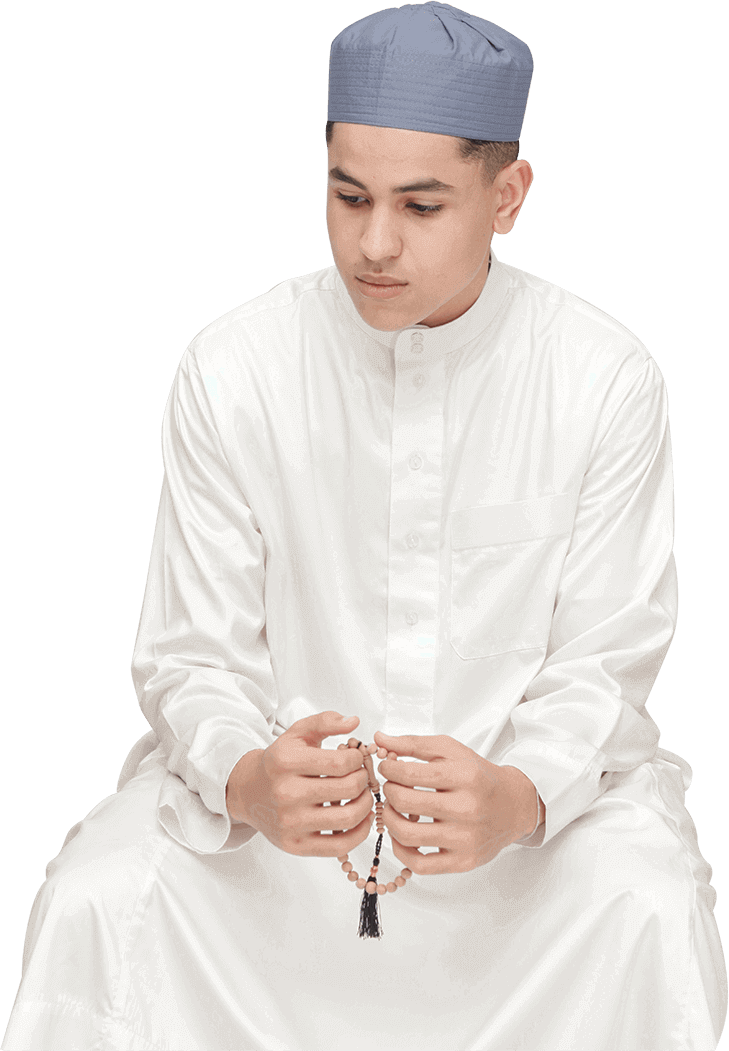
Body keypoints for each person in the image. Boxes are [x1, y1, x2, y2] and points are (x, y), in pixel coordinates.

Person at [4, 4, 726, 1049]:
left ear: (507, 197)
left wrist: (517, 795)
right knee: (98, 897)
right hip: (269, 851)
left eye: (421, 206)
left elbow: (604, 665)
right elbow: (192, 654)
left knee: (643, 908)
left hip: (526, 849)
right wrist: (249, 778)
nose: (373, 244)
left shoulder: (601, 377)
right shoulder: (236, 367)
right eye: (348, 197)